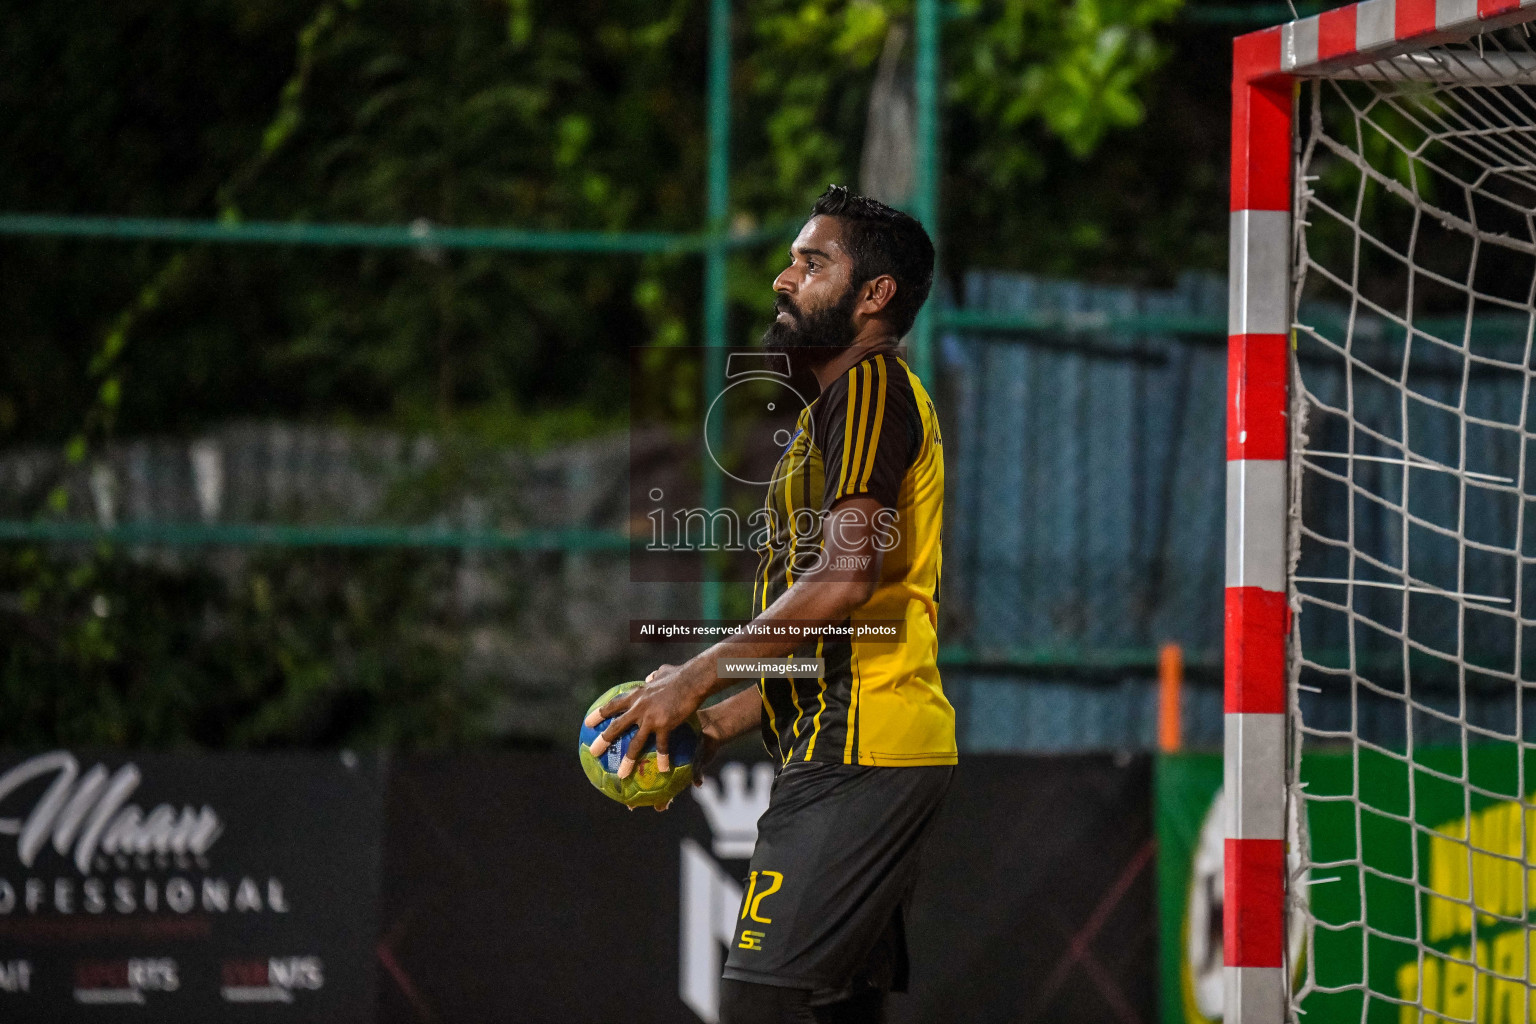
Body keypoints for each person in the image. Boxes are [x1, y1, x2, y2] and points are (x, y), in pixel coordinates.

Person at [587, 185, 954, 1024]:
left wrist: (698, 674)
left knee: (761, 1004)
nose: (785, 280)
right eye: (790, 260)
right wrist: (717, 721)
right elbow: (854, 628)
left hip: (859, 759)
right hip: (862, 744)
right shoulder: (842, 404)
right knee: (832, 1013)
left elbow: (844, 579)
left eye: (812, 262)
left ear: (875, 296)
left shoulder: (869, 387)